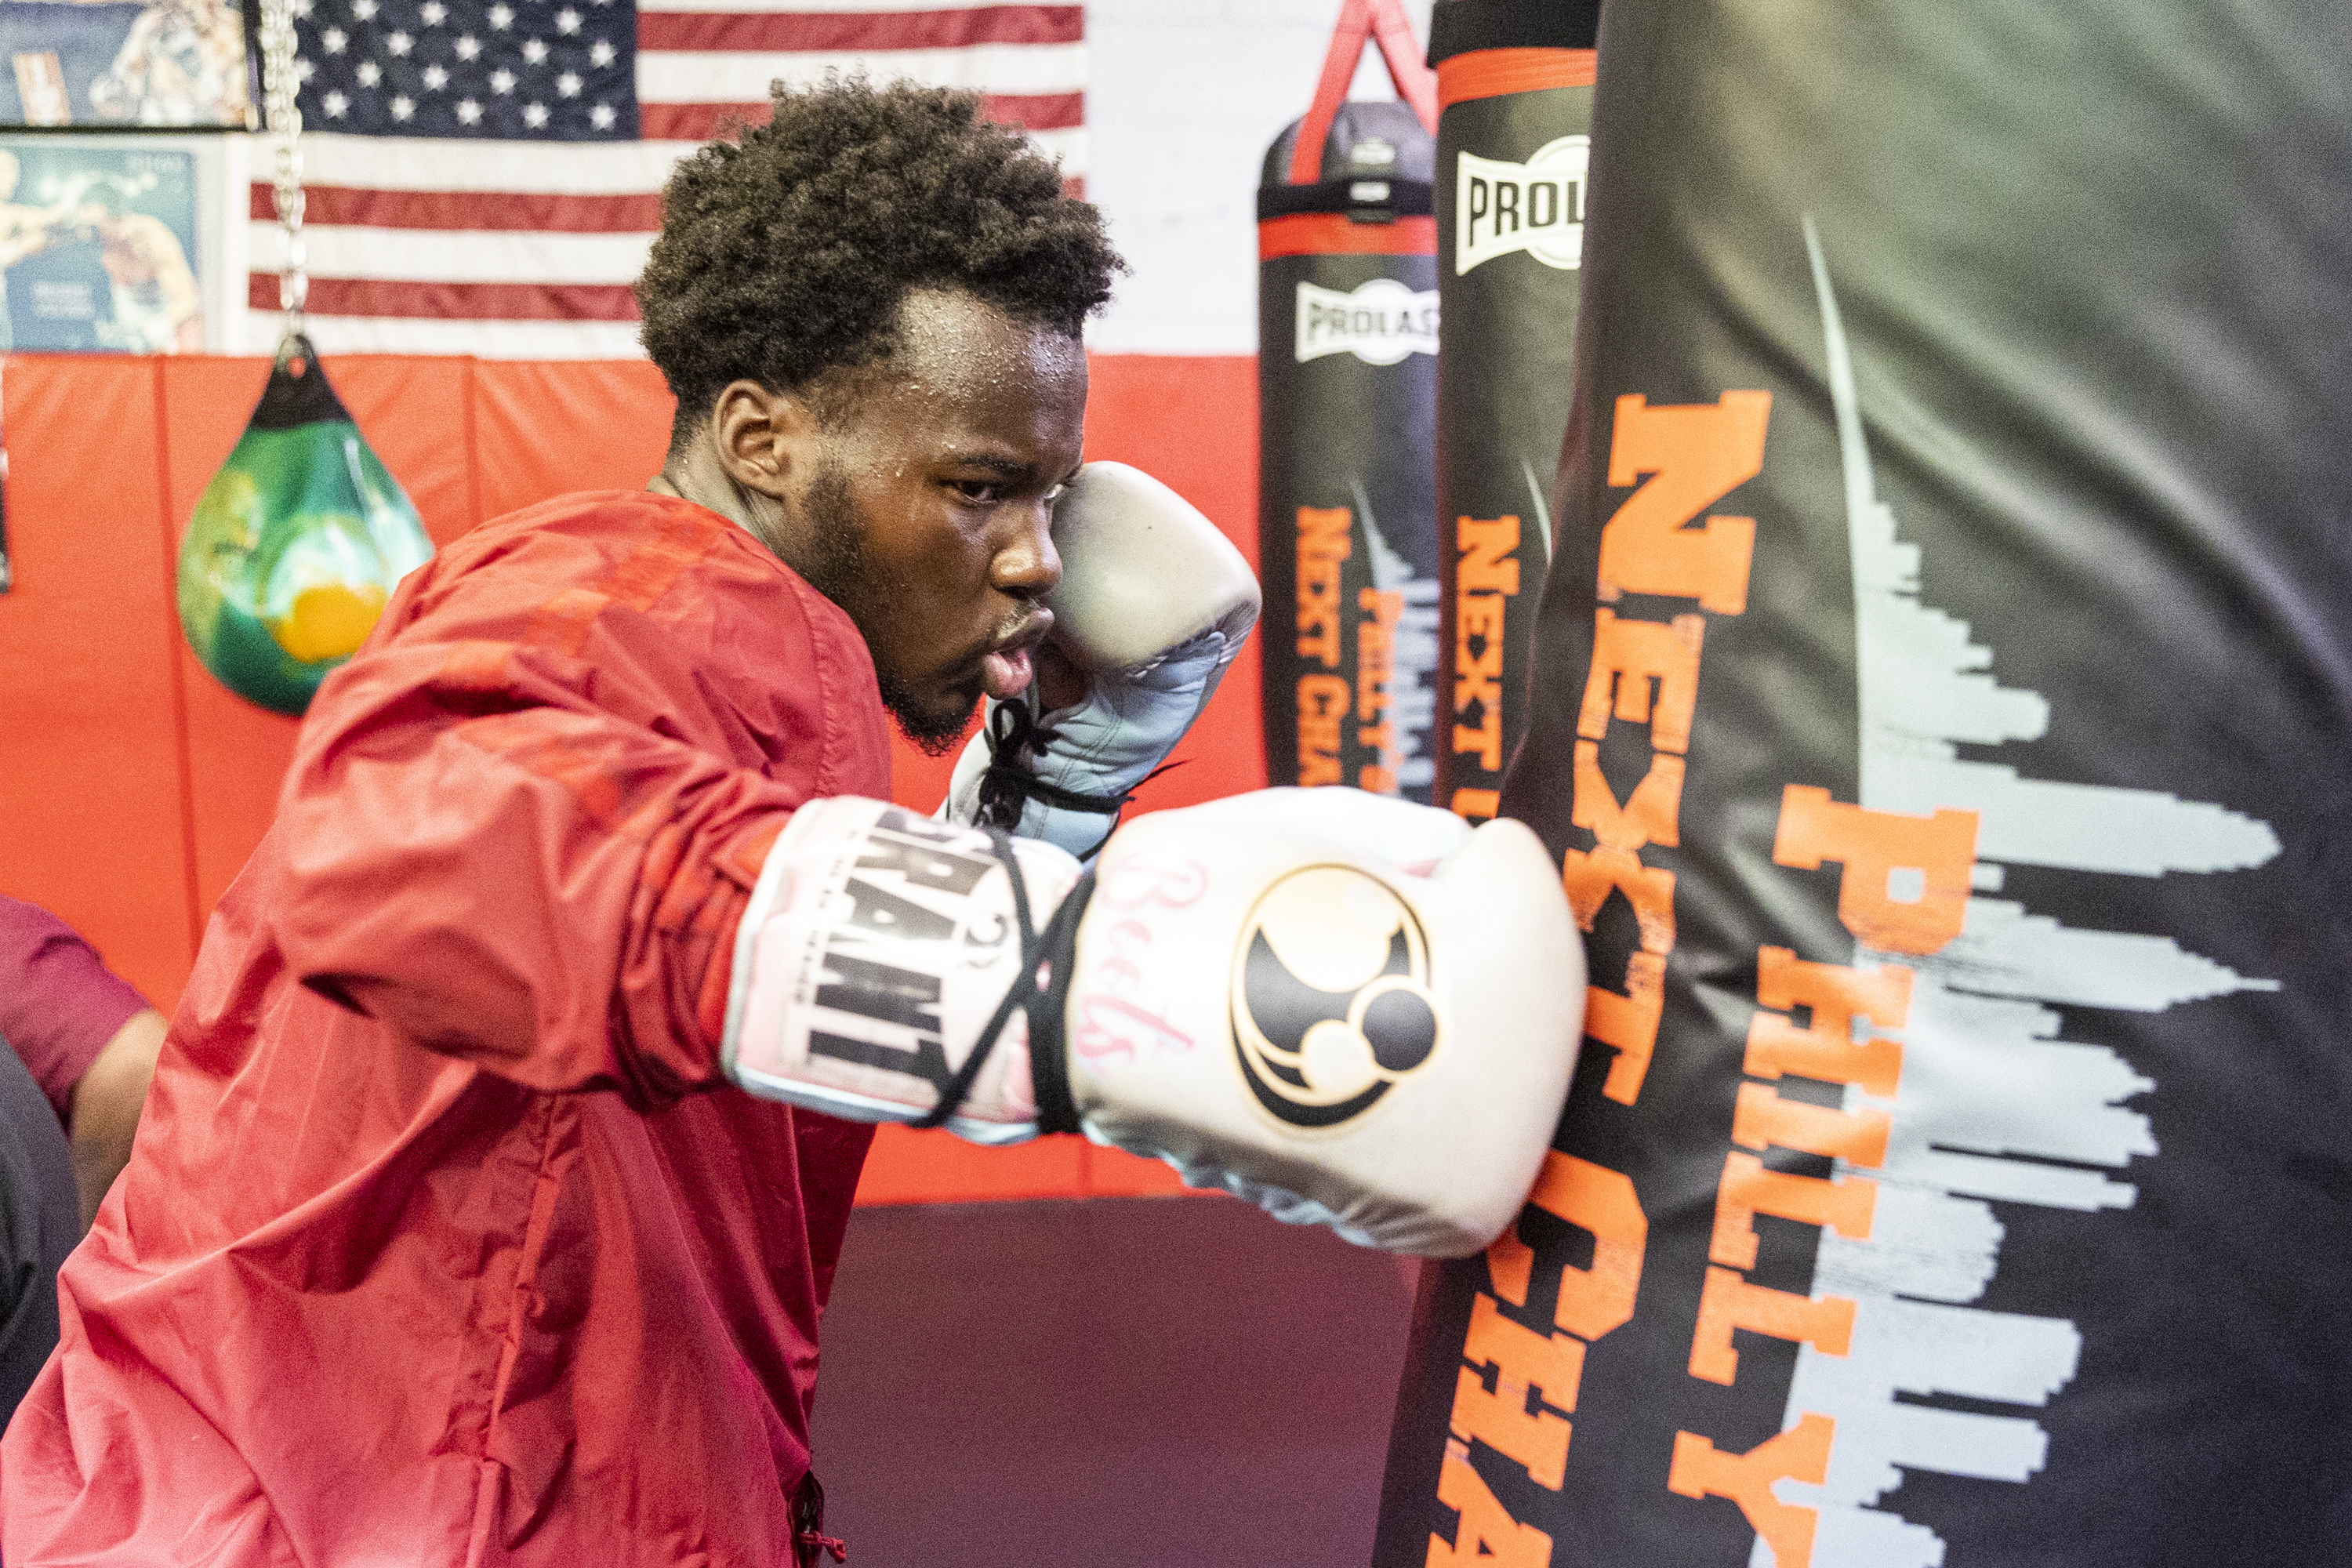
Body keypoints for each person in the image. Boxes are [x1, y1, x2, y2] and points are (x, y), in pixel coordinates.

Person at [2, 78, 1581, 1566]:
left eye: (1051, 497)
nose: (1039, 558)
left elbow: (715, 1023)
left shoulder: (748, 683)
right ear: (763, 441)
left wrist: (1040, 813)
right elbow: (402, 831)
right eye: (979, 486)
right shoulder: (647, 596)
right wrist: (1079, 980)